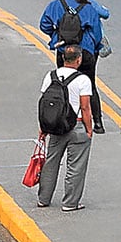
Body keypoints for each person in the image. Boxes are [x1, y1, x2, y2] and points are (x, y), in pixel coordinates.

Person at [39, 0, 109, 134]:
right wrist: (94, 46)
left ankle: (63, 116)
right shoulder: (90, 8)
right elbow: (97, 34)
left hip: (63, 49)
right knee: (89, 84)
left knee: (63, 83)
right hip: (85, 51)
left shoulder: (56, 5)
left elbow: (44, 25)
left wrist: (57, 36)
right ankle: (97, 123)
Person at [36, 45, 94, 212]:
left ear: (62, 59)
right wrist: (89, 129)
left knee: (51, 162)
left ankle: (43, 199)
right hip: (76, 125)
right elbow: (85, 107)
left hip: (55, 125)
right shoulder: (83, 80)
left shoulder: (50, 76)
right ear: (78, 60)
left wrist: (43, 127)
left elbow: (45, 103)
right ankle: (70, 202)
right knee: (76, 166)